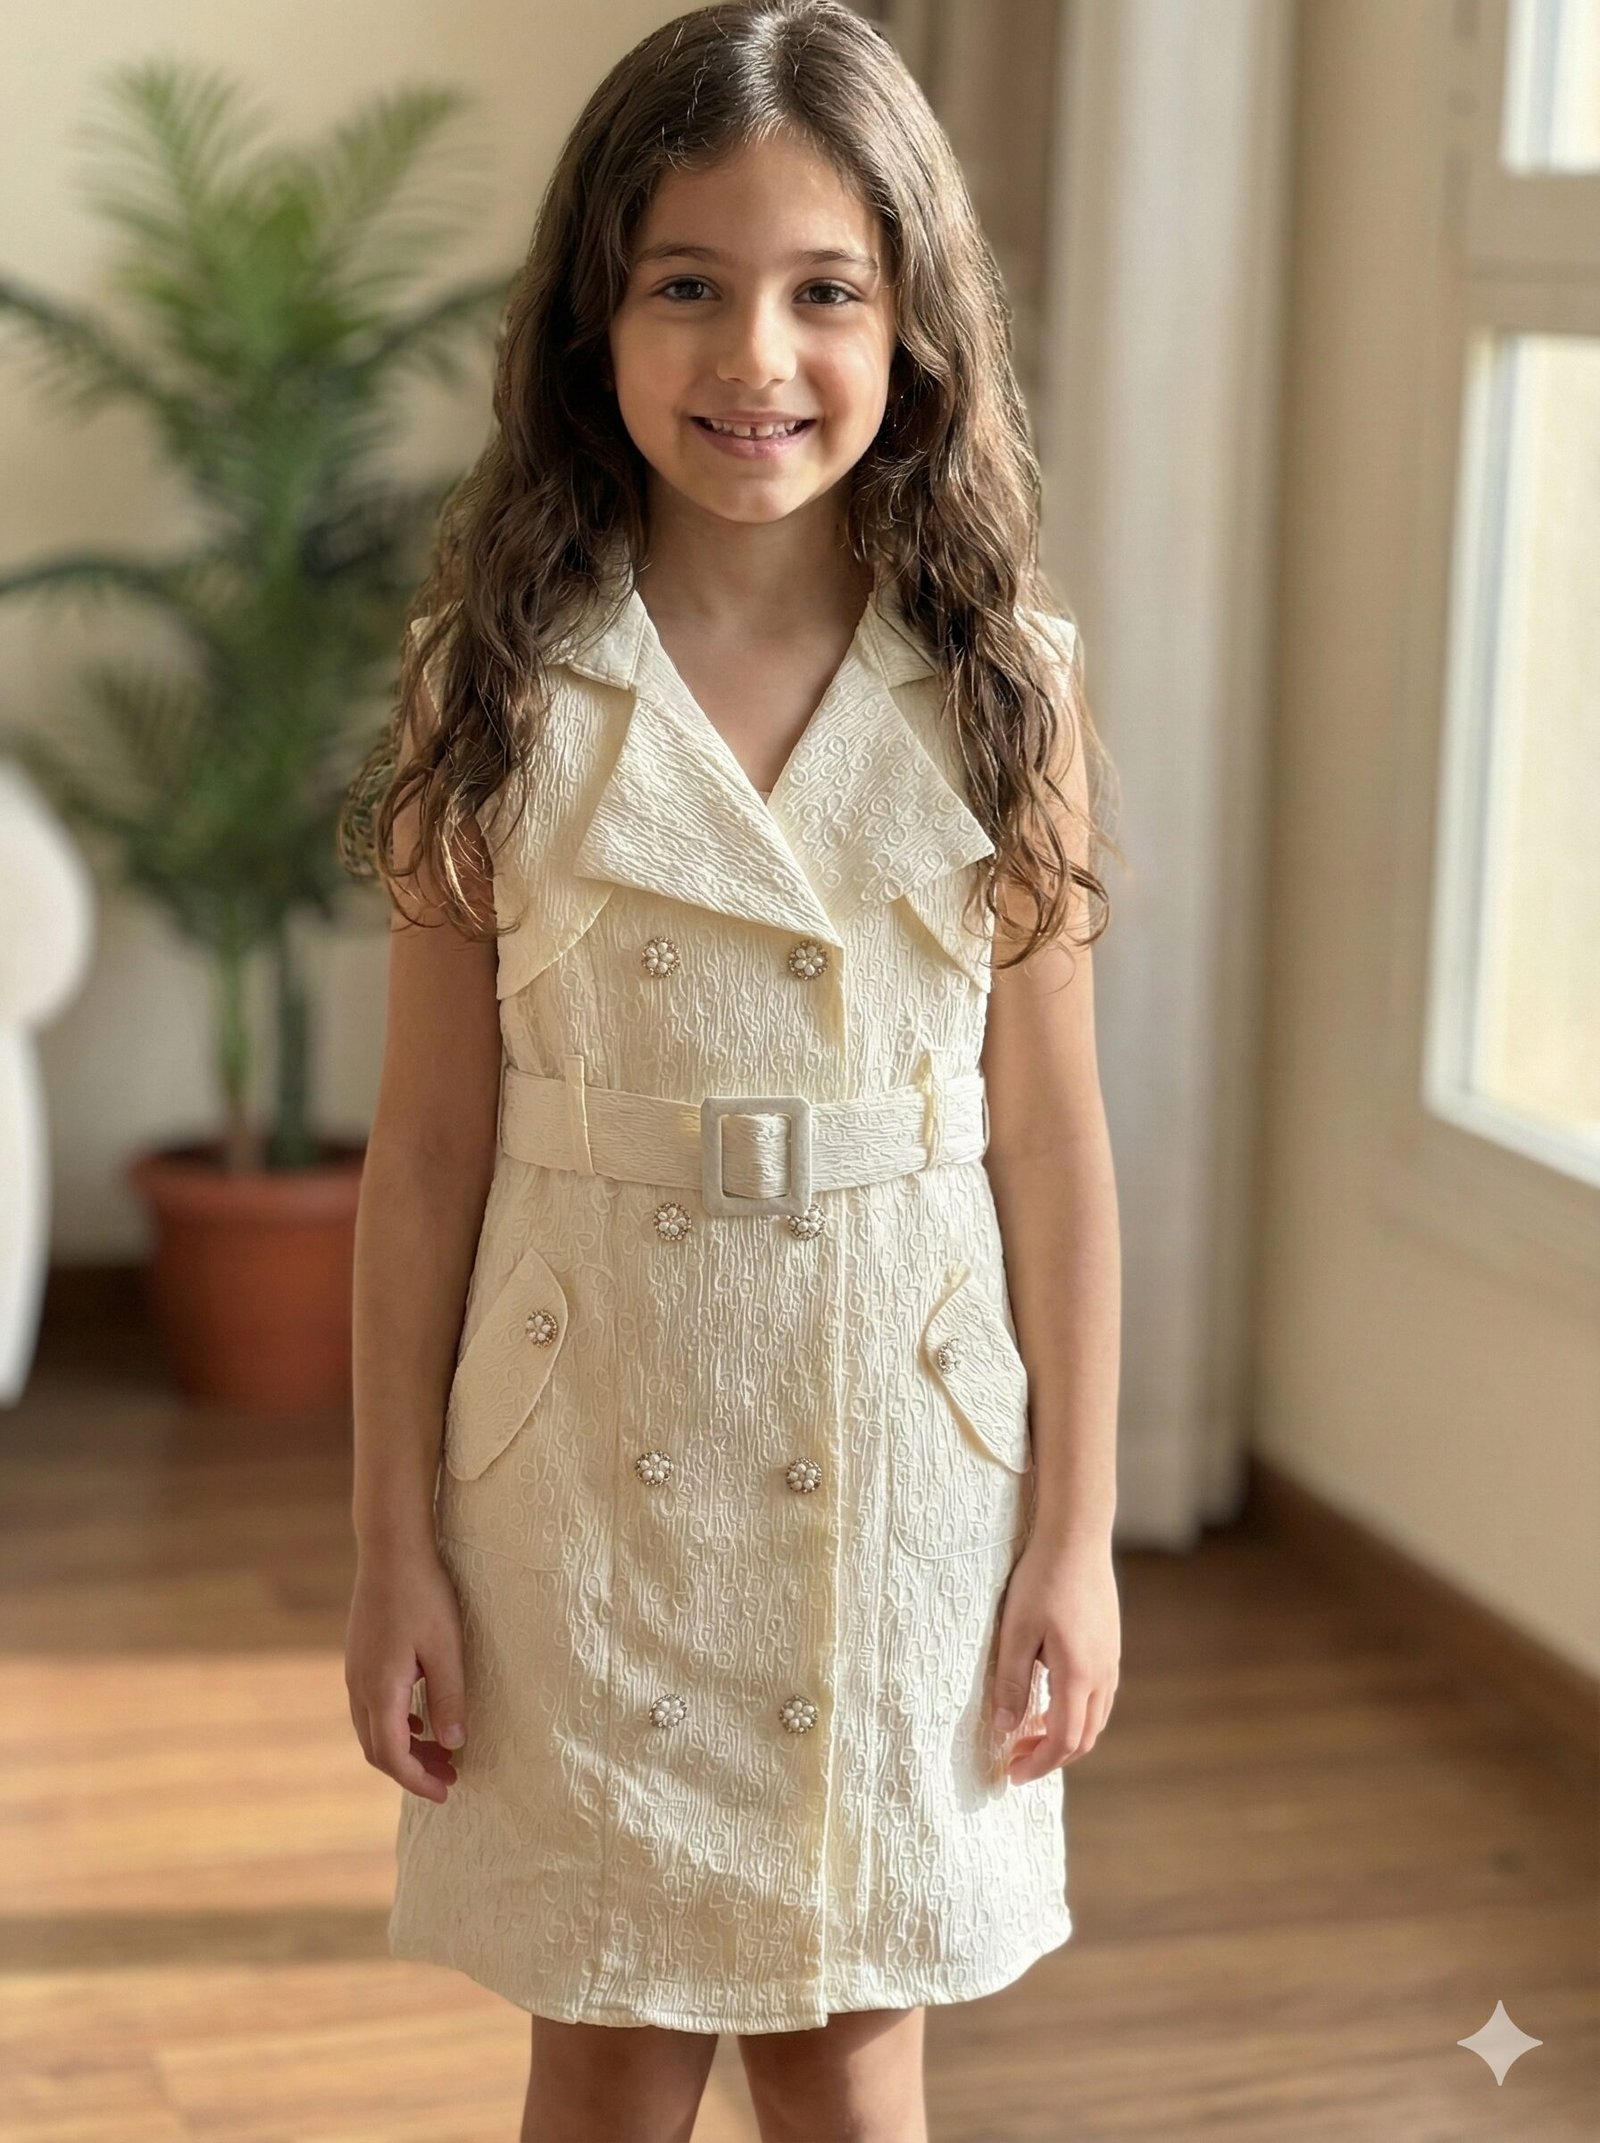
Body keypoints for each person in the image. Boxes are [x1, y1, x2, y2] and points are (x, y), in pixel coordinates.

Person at [338, 4, 1123, 2137]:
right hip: (582, 1468)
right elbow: (426, 1149)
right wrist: (392, 1546)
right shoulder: (495, 686)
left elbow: (1052, 1139)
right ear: (591, 317)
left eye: (822, 291)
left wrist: (1072, 1533)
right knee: (603, 2046)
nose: (752, 356)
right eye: (685, 284)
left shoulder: (1001, 690)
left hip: (899, 1464)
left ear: (912, 323)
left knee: (852, 2053)